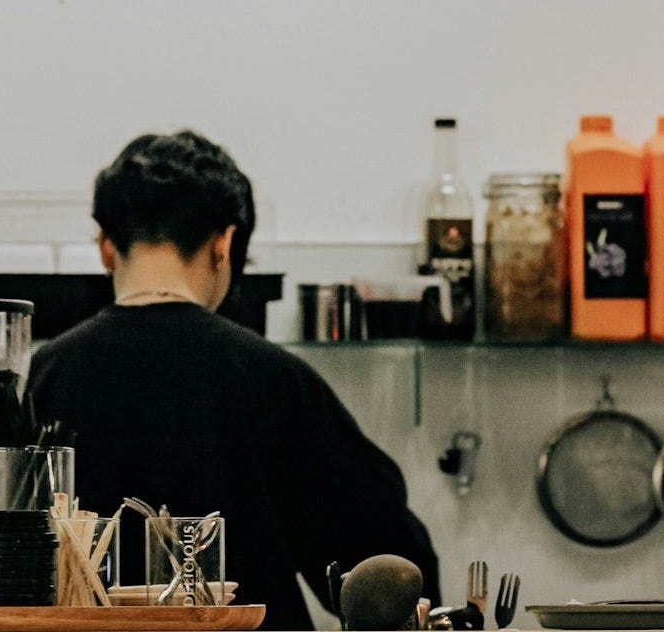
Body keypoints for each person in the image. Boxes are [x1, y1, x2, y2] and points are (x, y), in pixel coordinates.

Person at [27, 130, 440, 630]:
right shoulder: (274, 377)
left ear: (106, 247)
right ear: (224, 242)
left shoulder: (47, 374)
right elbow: (387, 565)